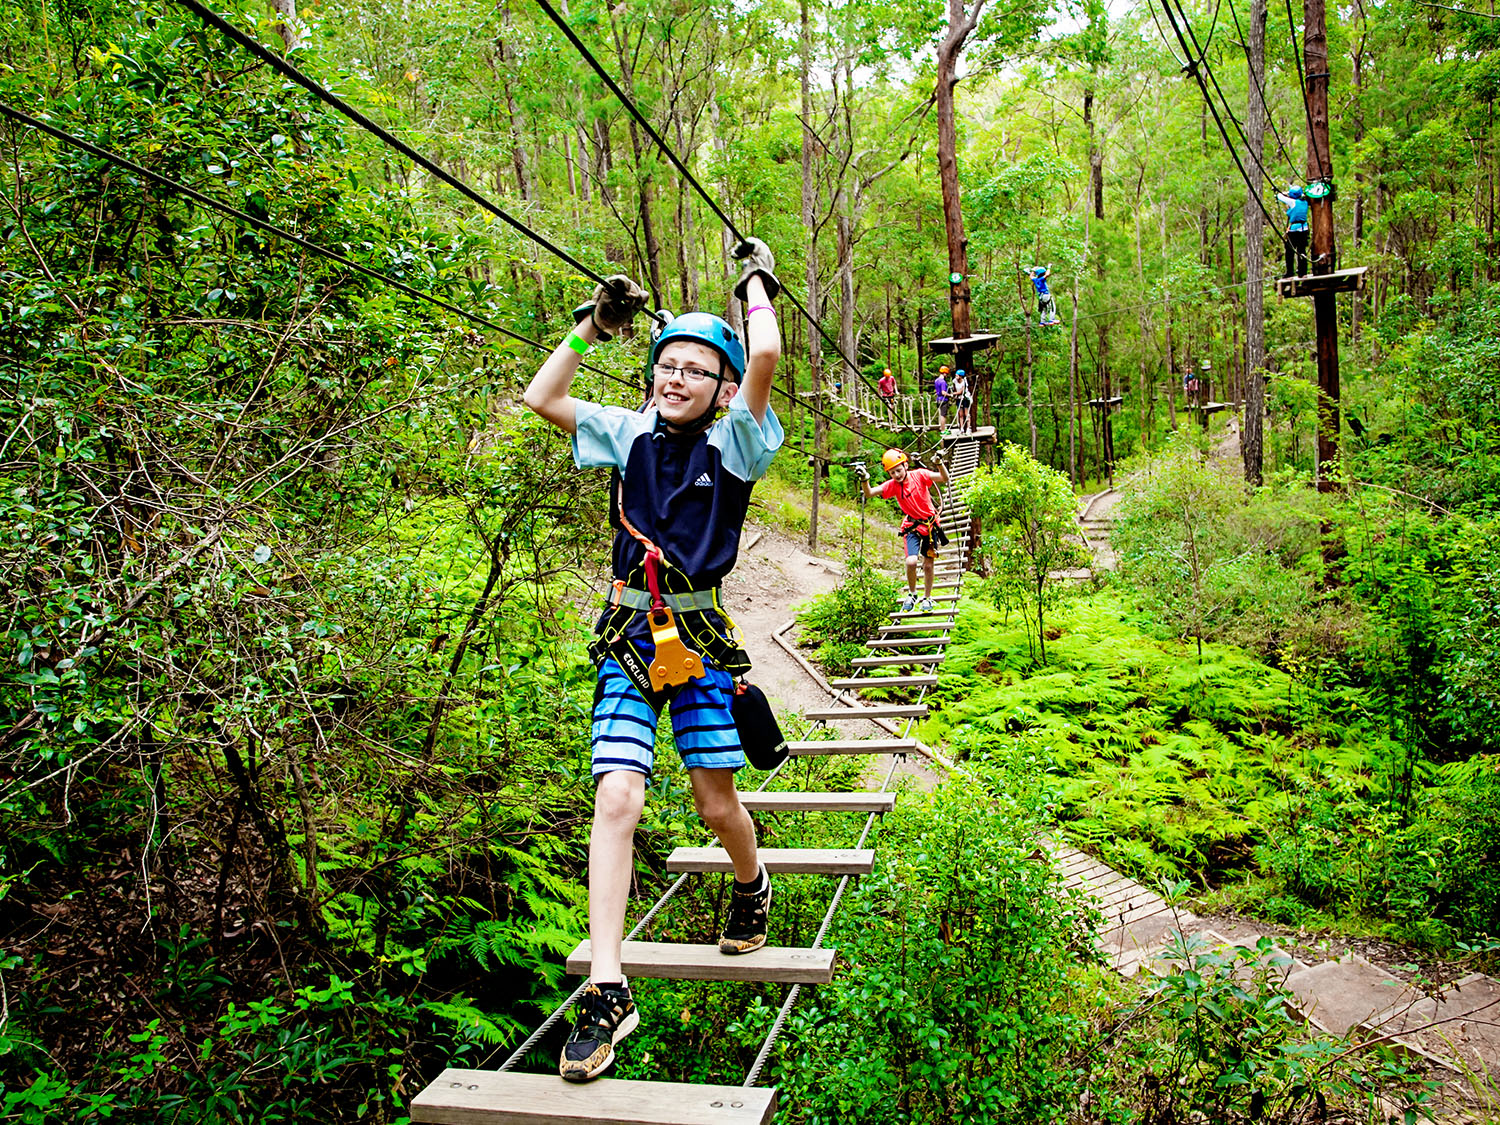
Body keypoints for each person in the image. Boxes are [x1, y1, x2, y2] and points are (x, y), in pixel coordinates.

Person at [524, 239, 784, 1083]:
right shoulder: (627, 431)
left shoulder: (737, 444)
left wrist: (755, 278)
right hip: (627, 639)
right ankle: (607, 989)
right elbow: (543, 395)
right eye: (666, 364)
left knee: (716, 804)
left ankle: (751, 882)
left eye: (696, 370)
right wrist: (592, 327)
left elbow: (769, 350)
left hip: (702, 643)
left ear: (721, 386)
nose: (676, 378)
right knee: (618, 794)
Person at [855, 448, 950, 613]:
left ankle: (927, 598)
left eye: (898, 470)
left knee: (928, 565)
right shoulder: (893, 486)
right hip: (911, 527)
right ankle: (913, 594)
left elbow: (944, 478)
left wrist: (939, 463)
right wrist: (865, 479)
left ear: (906, 465)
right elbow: (870, 493)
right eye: (892, 473)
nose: (897, 475)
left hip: (930, 525)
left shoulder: (919, 475)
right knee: (911, 561)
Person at [1276, 184, 1310, 277]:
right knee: (1301, 250)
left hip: (1294, 230)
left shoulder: (1292, 202)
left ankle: (1290, 272)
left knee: (1289, 251)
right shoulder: (1305, 202)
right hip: (1304, 229)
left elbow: (1280, 197)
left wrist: (1280, 193)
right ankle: (1303, 272)